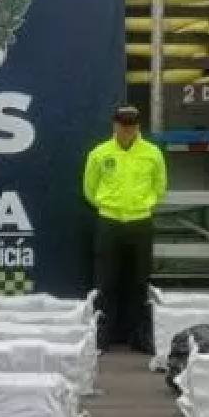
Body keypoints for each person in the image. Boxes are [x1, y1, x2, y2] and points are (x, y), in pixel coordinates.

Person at [83, 103, 166, 352]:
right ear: (115, 125)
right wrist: (108, 206)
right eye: (123, 125)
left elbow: (159, 186)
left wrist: (144, 205)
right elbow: (89, 188)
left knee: (139, 281)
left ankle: (139, 336)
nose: (127, 130)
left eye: (132, 125)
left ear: (138, 126)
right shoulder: (100, 153)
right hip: (109, 222)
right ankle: (103, 336)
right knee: (106, 281)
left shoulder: (152, 153)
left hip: (140, 221)